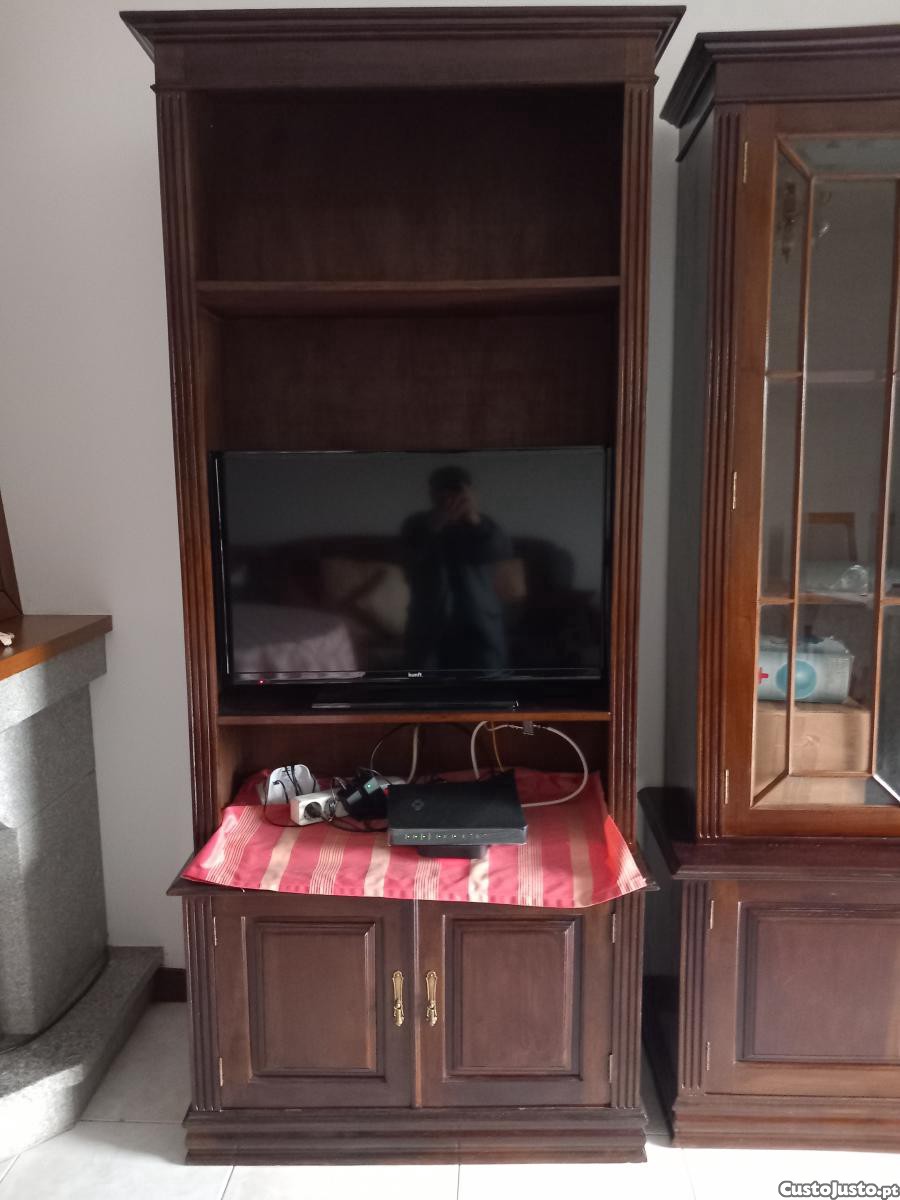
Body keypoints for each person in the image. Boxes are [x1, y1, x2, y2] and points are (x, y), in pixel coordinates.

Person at [401, 465, 512, 671]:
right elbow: (409, 561)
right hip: (428, 623)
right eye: (443, 491)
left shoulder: (484, 526)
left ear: (470, 493)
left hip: (480, 623)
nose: (450, 499)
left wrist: (474, 520)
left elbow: (499, 552)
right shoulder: (416, 524)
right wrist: (434, 528)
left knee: (489, 681)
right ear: (432, 494)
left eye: (457, 491)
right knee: (420, 683)